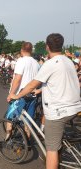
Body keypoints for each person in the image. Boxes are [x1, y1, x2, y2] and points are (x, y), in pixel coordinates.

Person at [9, 33, 81, 169]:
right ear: (61, 45)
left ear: (47, 47)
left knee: (51, 149)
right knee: (56, 139)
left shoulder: (50, 64)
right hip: (75, 107)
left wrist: (16, 96)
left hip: (59, 111)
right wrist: (40, 91)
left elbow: (32, 84)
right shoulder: (68, 61)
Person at [6, 42, 40, 139]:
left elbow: (17, 79)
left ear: (22, 50)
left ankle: (7, 139)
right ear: (31, 50)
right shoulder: (36, 63)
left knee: (10, 118)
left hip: (21, 95)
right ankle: (28, 143)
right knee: (27, 122)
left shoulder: (21, 61)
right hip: (32, 95)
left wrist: (11, 94)